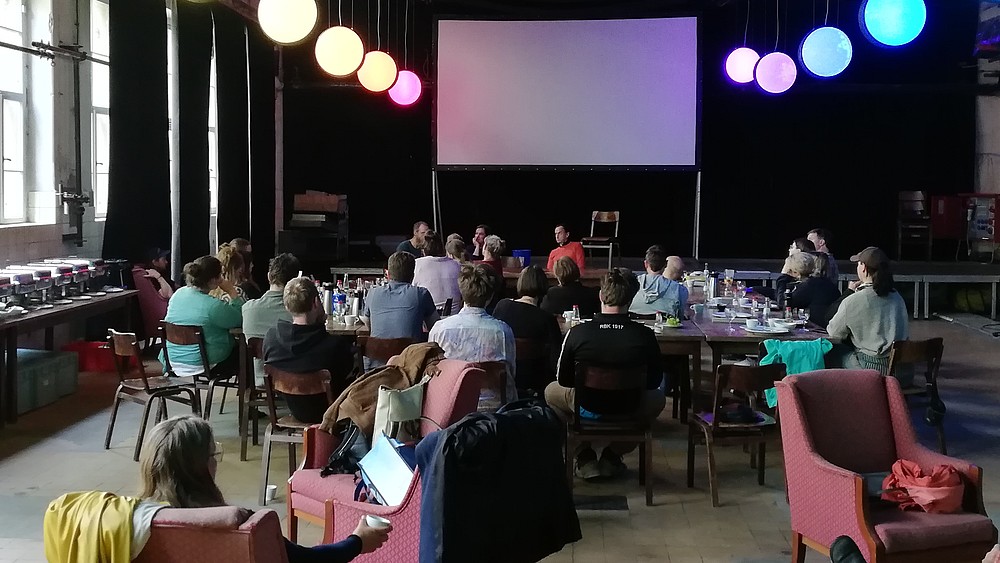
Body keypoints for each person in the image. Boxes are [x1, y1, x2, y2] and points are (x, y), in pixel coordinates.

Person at [137, 415, 391, 562]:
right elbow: (306, 562)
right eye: (213, 454)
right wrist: (357, 541)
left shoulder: (132, 523)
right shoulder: (239, 525)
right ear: (203, 466)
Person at [544, 269, 665, 480]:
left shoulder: (578, 333)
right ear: (630, 298)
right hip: (630, 406)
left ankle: (583, 453)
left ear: (601, 296)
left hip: (586, 404)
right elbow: (654, 381)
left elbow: (563, 379)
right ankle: (612, 455)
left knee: (549, 392)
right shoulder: (645, 335)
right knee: (658, 399)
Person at [263, 277, 355, 423]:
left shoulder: (271, 338)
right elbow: (347, 371)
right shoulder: (334, 345)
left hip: (293, 409)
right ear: (316, 303)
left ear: (287, 306)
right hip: (332, 414)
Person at [428, 263, 516, 409]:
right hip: (495, 412)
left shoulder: (440, 329)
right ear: (490, 296)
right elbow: (511, 375)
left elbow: (432, 374)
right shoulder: (502, 331)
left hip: (449, 409)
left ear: (462, 292)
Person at [827, 247, 909, 378]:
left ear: (863, 268)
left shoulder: (853, 300)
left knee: (830, 351)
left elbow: (834, 333)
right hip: (903, 373)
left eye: (858, 264)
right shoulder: (897, 296)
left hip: (874, 371)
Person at [161, 256, 243, 377]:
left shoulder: (177, 295)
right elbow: (240, 319)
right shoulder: (213, 306)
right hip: (202, 363)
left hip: (171, 361)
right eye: (220, 275)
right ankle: (246, 393)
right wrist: (232, 292)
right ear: (214, 280)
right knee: (244, 352)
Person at [492, 265, 563, 394]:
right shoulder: (546, 319)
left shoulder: (502, 306)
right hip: (536, 381)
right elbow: (556, 361)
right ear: (543, 285)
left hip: (503, 377)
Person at [364, 252, 439, 367]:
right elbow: (435, 328)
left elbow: (368, 325)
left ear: (388, 274)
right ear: (413, 275)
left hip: (376, 370)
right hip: (410, 367)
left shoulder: (373, 293)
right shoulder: (421, 294)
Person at [243, 253, 301, 386]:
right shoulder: (299, 313)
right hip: (296, 379)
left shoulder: (247, 309)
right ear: (297, 280)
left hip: (262, 378)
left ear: (269, 276)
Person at [628, 245, 688, 319]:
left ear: (646, 264)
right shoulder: (680, 290)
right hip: (666, 330)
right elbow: (679, 318)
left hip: (635, 328)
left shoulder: (629, 284)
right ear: (666, 264)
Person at [782, 252, 841, 327]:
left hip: (821, 330)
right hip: (830, 325)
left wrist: (783, 277)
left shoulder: (809, 285)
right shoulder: (825, 282)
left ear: (795, 271)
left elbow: (784, 303)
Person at [413, 231, 463, 312]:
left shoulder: (416, 264)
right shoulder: (456, 265)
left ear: (423, 250)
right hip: (454, 316)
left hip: (428, 320)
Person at [474, 234, 506, 312]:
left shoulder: (481, 267)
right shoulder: (498, 263)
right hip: (495, 303)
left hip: (483, 305)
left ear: (486, 248)